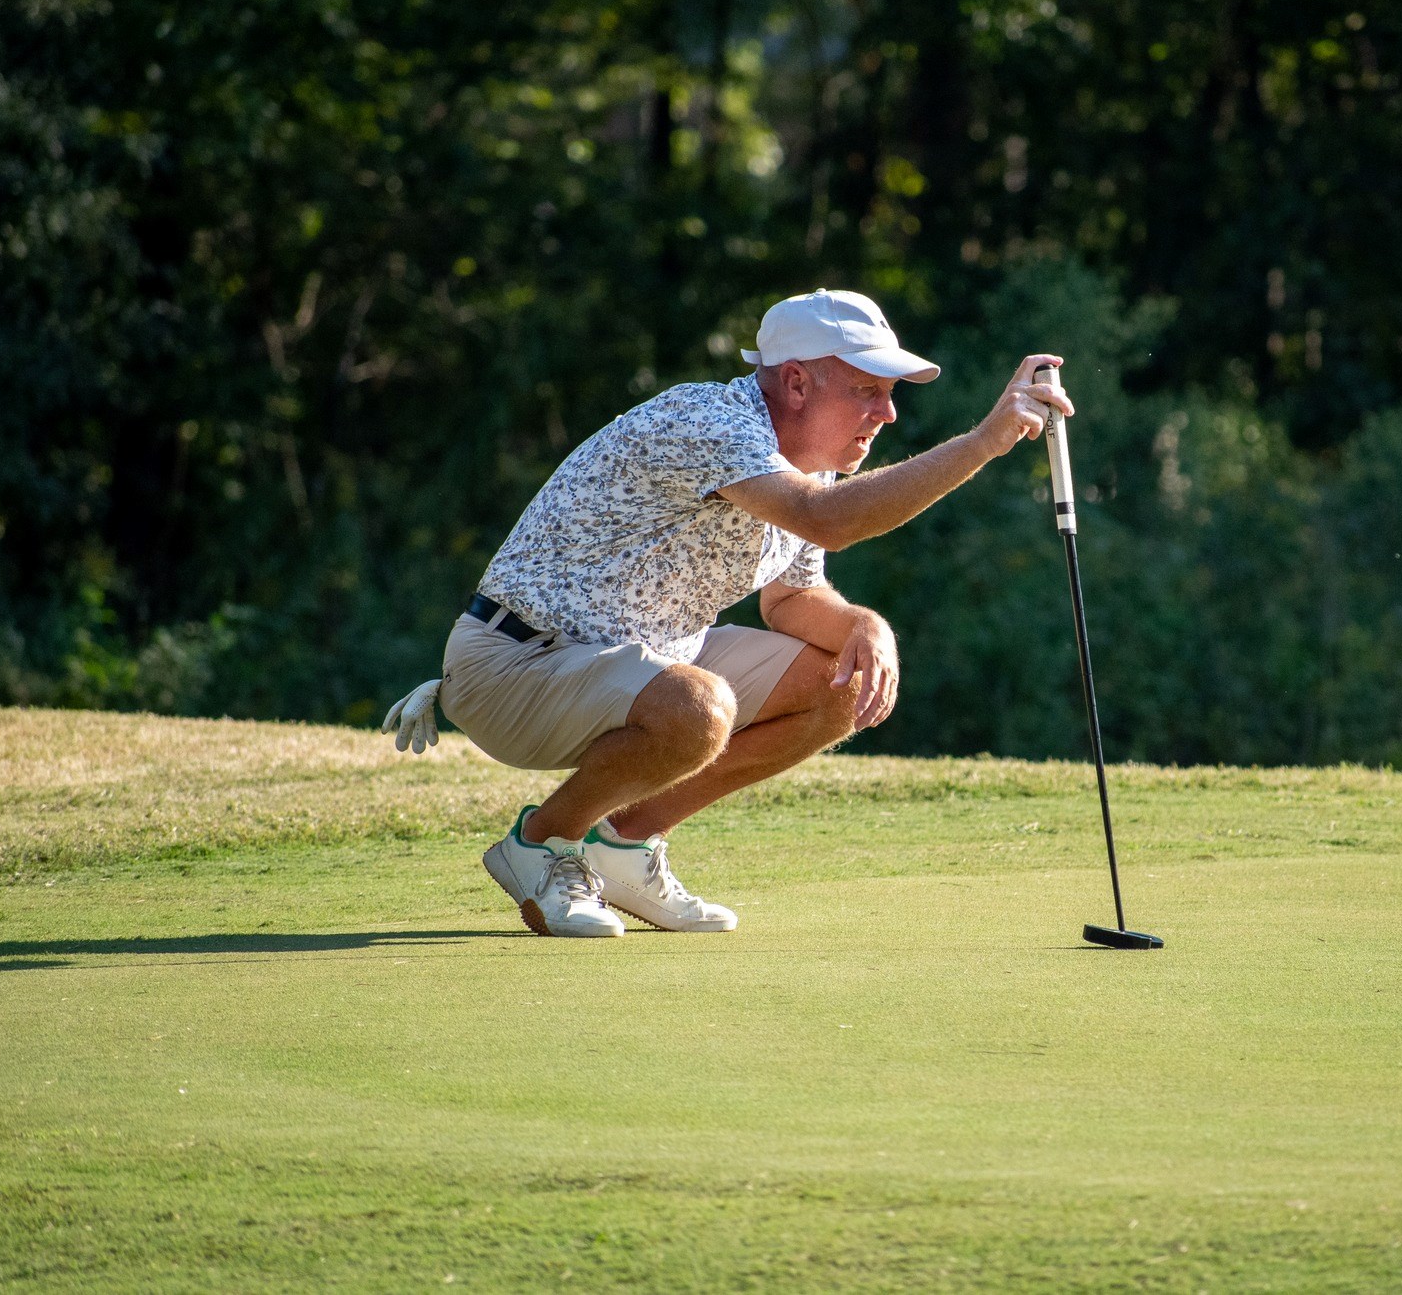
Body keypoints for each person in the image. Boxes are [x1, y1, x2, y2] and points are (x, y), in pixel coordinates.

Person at [382, 289, 1070, 937]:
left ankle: (622, 844)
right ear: (796, 382)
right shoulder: (709, 420)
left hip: (636, 664)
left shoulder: (811, 466)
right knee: (700, 706)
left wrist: (865, 625)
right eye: (866, 390)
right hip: (515, 665)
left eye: (888, 395)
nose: (887, 414)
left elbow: (793, 598)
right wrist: (983, 441)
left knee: (842, 683)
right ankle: (539, 843)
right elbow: (821, 520)